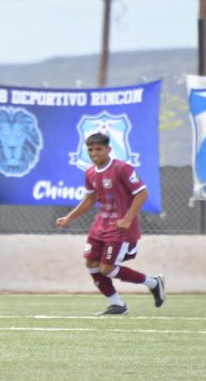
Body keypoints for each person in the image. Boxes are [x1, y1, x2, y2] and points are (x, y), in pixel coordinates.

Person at [56, 132, 165, 315]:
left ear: (108, 149)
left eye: (98, 149)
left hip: (120, 229)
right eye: (90, 150)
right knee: (91, 264)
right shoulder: (90, 173)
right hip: (99, 227)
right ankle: (117, 304)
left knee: (107, 268)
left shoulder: (122, 168)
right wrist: (69, 217)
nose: (94, 153)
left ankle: (153, 283)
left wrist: (128, 219)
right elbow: (90, 199)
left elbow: (142, 193)